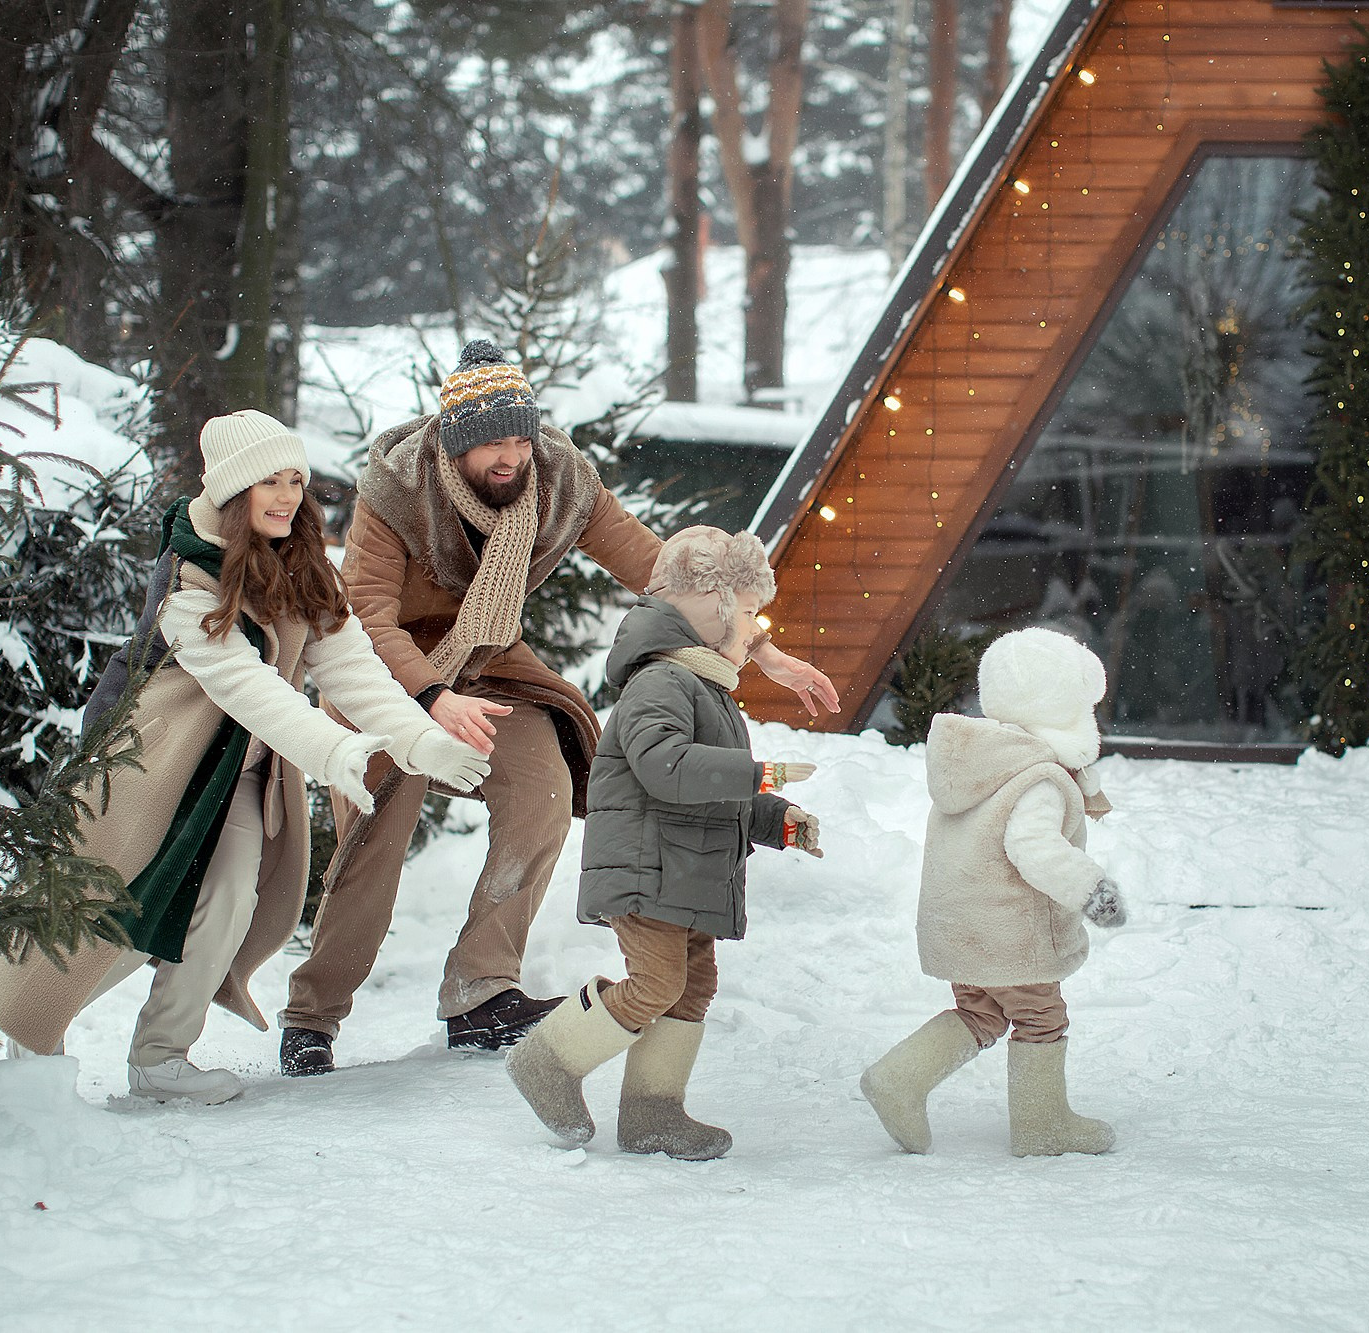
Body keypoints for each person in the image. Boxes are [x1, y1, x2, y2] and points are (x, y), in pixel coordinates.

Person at [277, 344, 838, 1076]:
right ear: (455, 441)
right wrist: (432, 699)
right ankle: (312, 1015)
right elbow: (369, 620)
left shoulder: (560, 480)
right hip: (386, 678)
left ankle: (481, 991)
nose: (511, 455)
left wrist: (761, 648)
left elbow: (666, 570)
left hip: (491, 664)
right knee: (377, 836)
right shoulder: (395, 492)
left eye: (520, 437)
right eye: (491, 440)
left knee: (541, 788)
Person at [0, 410, 492, 1104]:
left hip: (242, 771)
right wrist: (334, 750)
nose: (286, 495)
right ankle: (32, 1026)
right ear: (229, 489)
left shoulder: (307, 566)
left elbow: (353, 668)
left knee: (225, 900)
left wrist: (420, 740)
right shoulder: (189, 578)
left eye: (295, 480)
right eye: (267, 482)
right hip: (149, 769)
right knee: (118, 913)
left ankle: (161, 1058)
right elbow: (252, 692)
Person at [505, 527, 822, 1159]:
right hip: (648, 869)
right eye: (750, 615)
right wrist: (756, 773)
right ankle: (547, 1061)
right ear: (713, 612)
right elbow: (667, 766)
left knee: (692, 988)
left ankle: (654, 1112)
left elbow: (713, 792)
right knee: (654, 984)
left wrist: (774, 818)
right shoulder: (662, 683)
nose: (757, 632)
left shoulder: (705, 687)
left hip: (687, 871)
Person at [858, 627, 1128, 1156]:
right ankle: (1042, 1126)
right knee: (1040, 1017)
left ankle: (900, 1079)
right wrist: (1091, 889)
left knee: (982, 1014)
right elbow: (1033, 847)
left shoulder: (986, 760)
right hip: (1011, 932)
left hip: (963, 925)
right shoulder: (1038, 779)